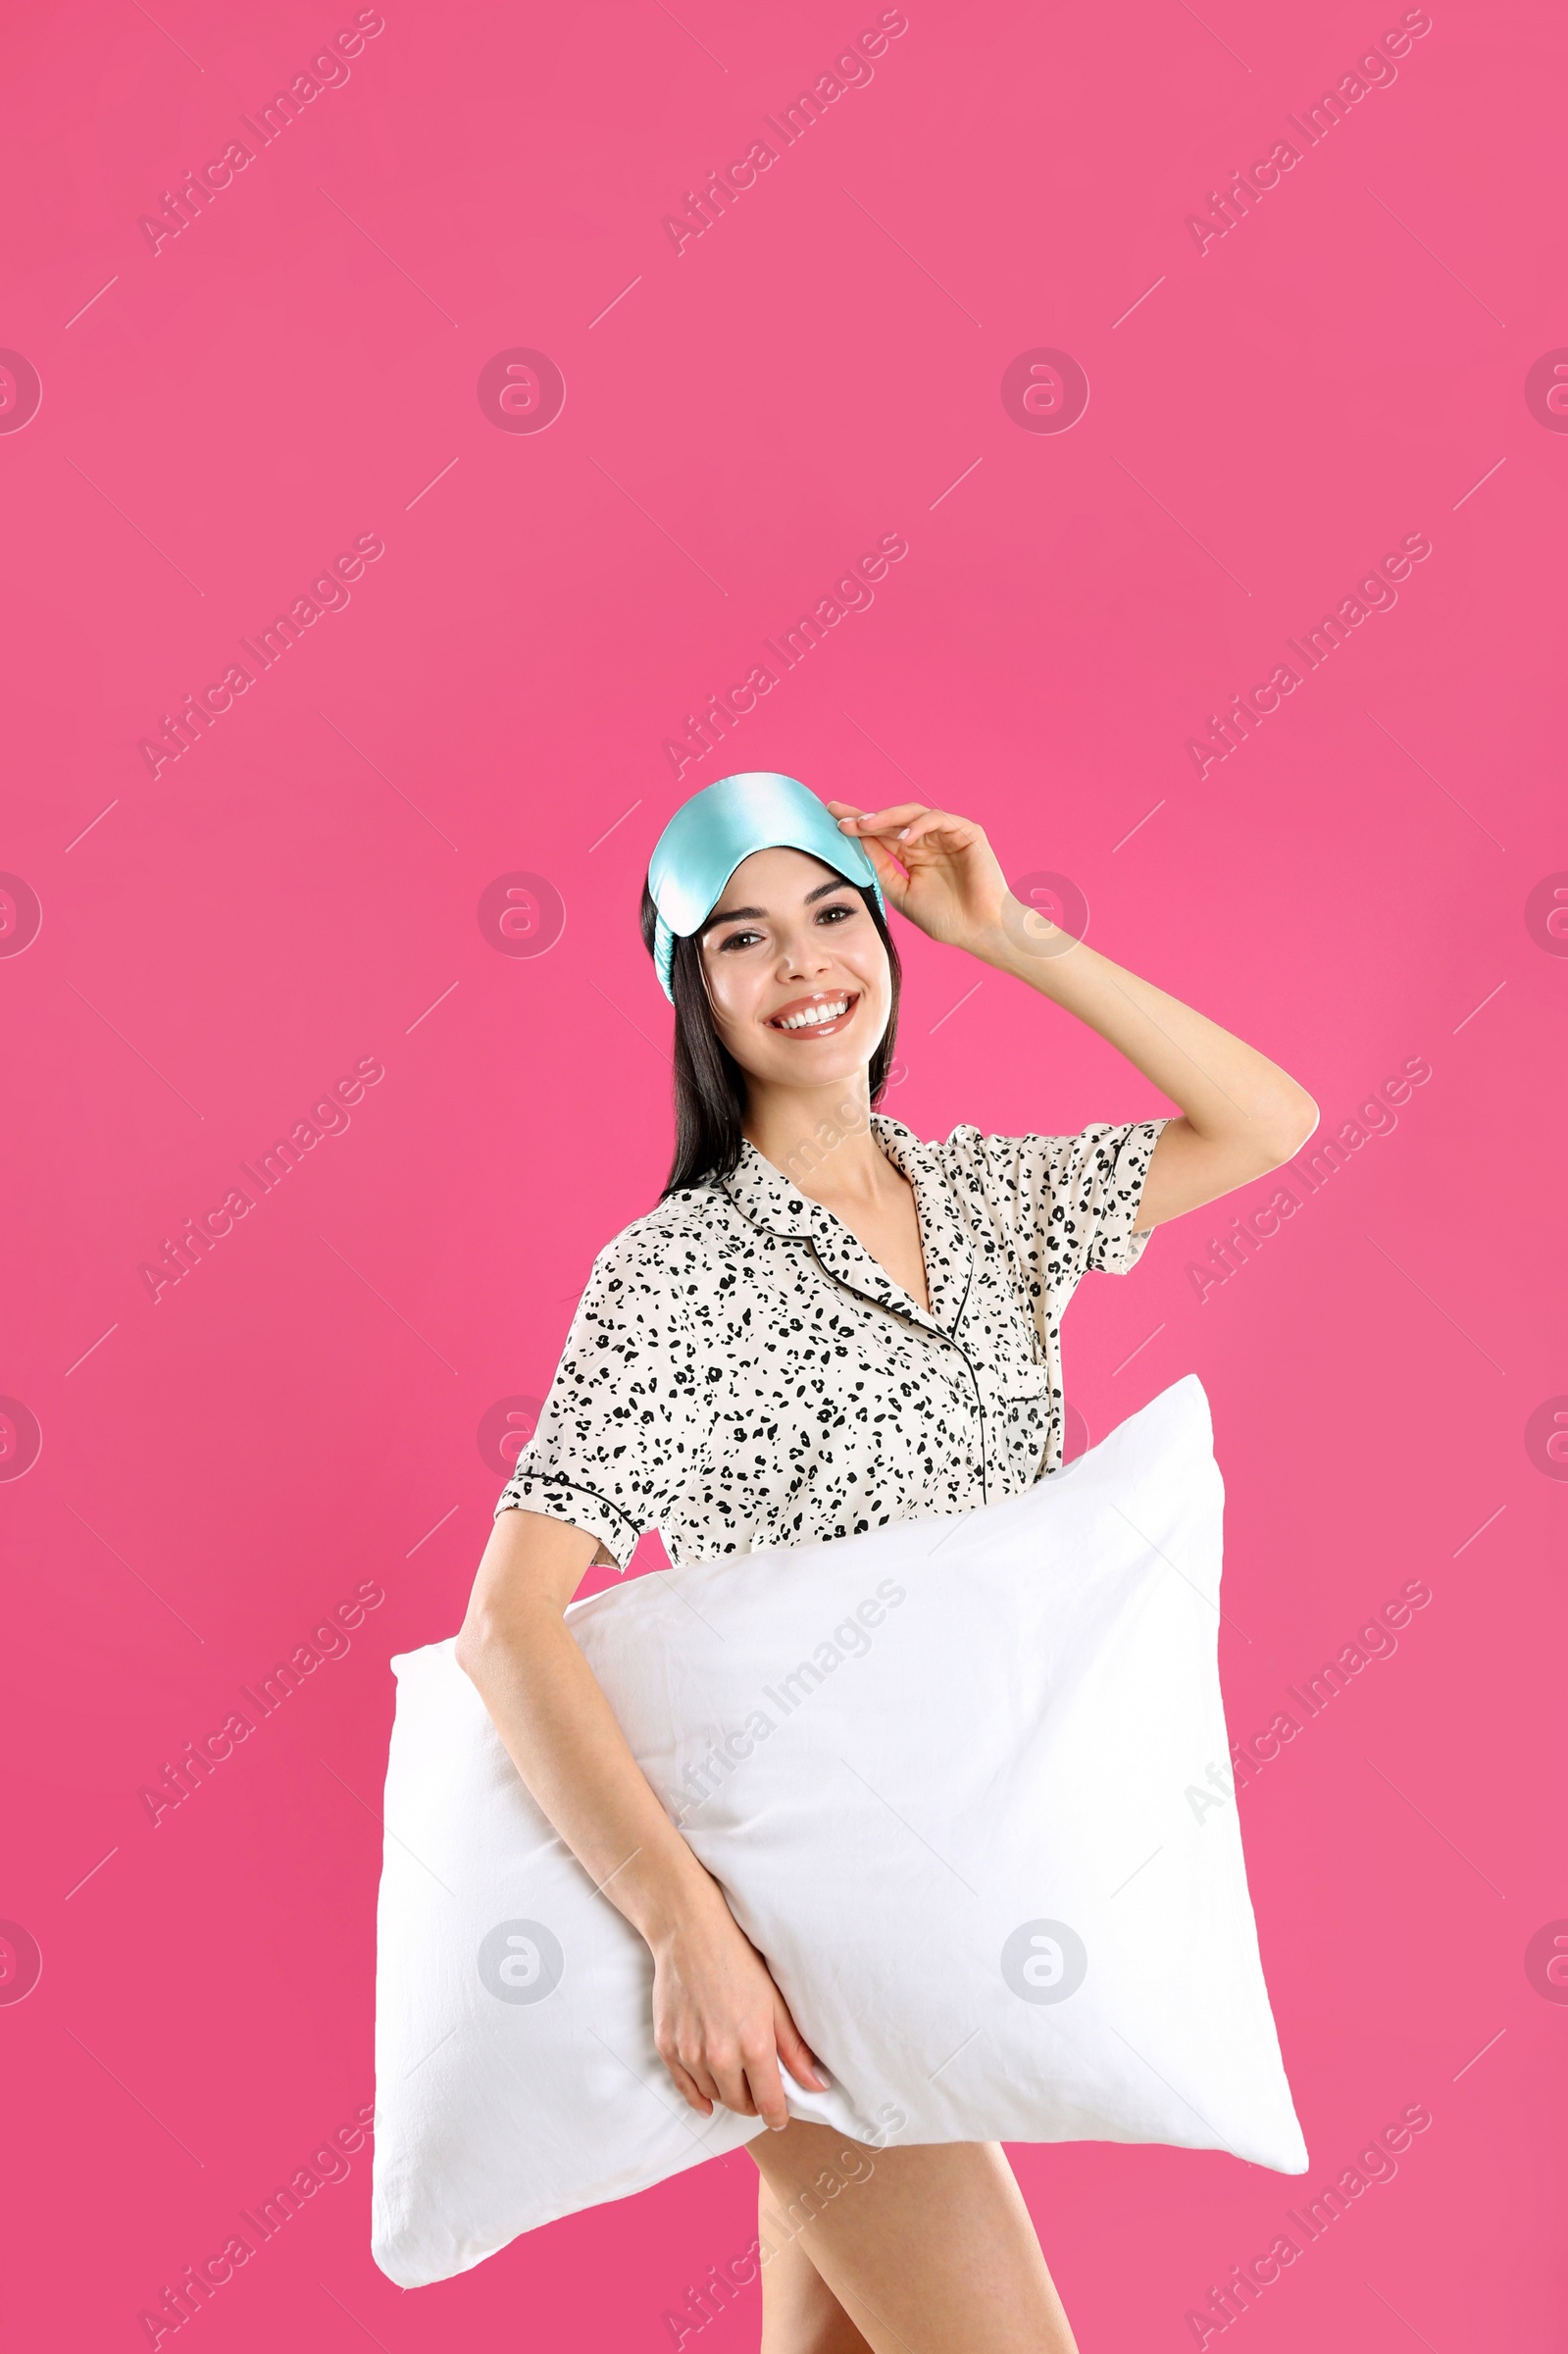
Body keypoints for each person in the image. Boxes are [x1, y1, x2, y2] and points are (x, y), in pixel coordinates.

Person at [456, 773, 1317, 2354]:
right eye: (744, 940)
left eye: (835, 914)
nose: (804, 966)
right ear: (692, 993)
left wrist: (1017, 937)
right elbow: (508, 1626)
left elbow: (1273, 1121)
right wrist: (686, 1937)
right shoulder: (674, 1276)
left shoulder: (994, 1201)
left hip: (960, 1906)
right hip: (788, 1928)